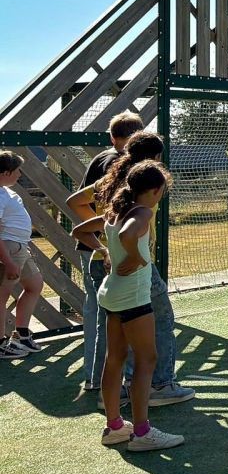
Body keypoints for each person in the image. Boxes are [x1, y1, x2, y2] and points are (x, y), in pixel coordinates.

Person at [70, 130, 195, 407]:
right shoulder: (146, 185)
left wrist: (104, 243)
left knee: (114, 337)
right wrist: (134, 256)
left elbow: (75, 203)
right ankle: (160, 385)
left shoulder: (112, 179)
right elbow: (129, 232)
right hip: (132, 268)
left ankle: (113, 393)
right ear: (156, 157)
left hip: (107, 265)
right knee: (160, 321)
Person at [72, 161, 184, 451]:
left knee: (115, 358)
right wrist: (135, 256)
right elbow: (127, 235)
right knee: (147, 360)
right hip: (133, 296)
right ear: (156, 190)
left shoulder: (115, 211)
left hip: (112, 294)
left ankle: (114, 427)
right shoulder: (143, 212)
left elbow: (80, 231)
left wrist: (105, 251)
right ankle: (142, 433)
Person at [66, 112, 143, 389]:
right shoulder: (123, 165)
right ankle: (119, 380)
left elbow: (77, 201)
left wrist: (99, 227)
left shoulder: (102, 158)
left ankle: (95, 378)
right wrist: (106, 231)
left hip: (93, 247)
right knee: (120, 316)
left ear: (112, 137)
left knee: (96, 313)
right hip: (109, 251)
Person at [0, 151, 45, 360]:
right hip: (8, 249)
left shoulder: (7, 192)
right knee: (2, 296)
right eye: (17, 170)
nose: (20, 174)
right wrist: (8, 261)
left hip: (19, 247)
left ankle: (21, 334)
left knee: (34, 285)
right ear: (6, 172)